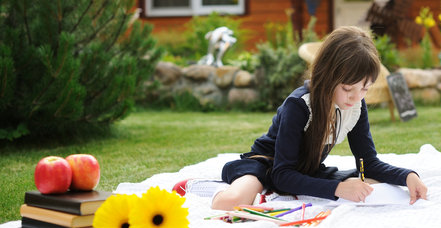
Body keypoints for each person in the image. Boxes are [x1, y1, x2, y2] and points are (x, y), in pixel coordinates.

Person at [174, 26, 428, 210]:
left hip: (306, 170)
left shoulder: (355, 106)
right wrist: (337, 189)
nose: (355, 97)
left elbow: (367, 164)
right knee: (229, 203)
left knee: (370, 184)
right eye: (348, 88)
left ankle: (269, 197)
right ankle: (208, 186)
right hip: (268, 165)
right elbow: (282, 173)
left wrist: (408, 176)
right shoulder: (300, 105)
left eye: (365, 88)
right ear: (328, 76)